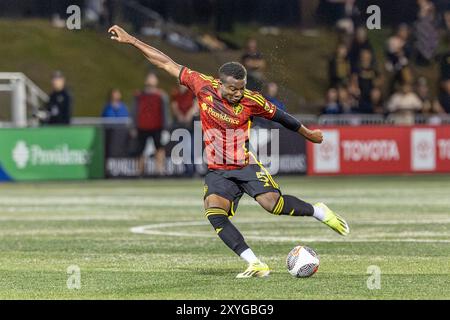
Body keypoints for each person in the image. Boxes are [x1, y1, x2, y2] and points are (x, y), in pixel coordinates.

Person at [109, 25, 350, 278]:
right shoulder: (202, 85)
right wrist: (133, 41)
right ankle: (255, 263)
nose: (238, 93)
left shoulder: (251, 101)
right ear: (220, 83)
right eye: (233, 88)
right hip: (218, 170)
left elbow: (282, 117)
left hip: (244, 164)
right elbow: (166, 63)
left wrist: (308, 134)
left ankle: (319, 211)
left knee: (272, 204)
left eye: (242, 88)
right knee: (214, 212)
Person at [134, 72, 169, 176]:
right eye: (149, 78)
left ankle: (159, 171)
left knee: (159, 149)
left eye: (152, 78)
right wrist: (133, 126)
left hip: (157, 127)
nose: (151, 81)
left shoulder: (161, 95)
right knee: (140, 150)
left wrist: (166, 128)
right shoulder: (139, 95)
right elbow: (134, 111)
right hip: (142, 127)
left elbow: (165, 112)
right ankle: (139, 172)